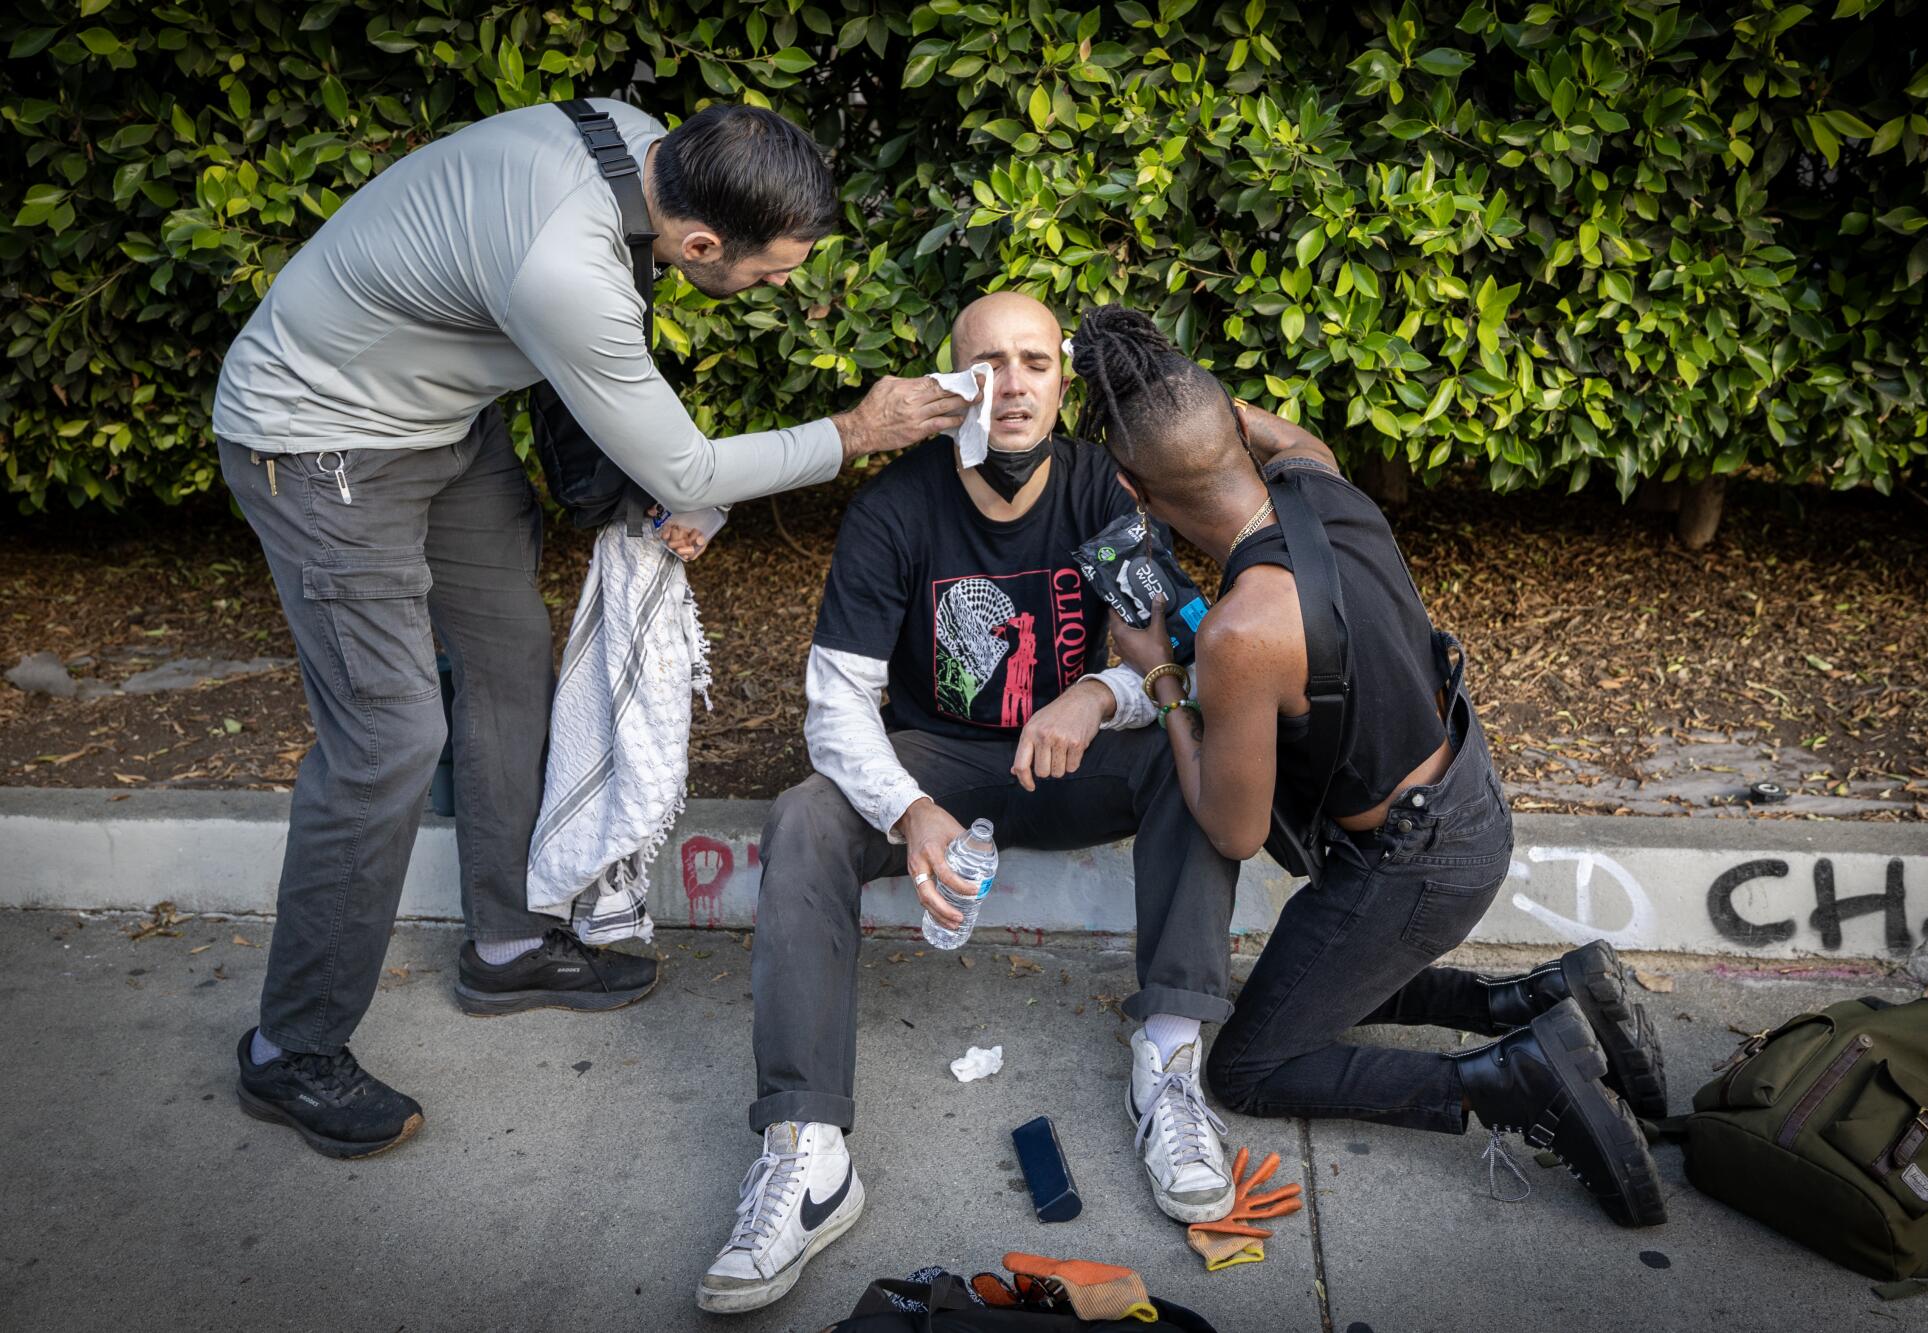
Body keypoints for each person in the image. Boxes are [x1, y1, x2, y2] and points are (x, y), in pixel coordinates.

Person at [215, 97, 969, 1160]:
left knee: (510, 661)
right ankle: (287, 1049)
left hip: (440, 416)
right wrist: (855, 431)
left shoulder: (635, 137)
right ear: (701, 242)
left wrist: (629, 486)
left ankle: (508, 943)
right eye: (768, 271)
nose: (782, 285)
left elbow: (599, 381)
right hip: (321, 439)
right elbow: (688, 464)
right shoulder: (559, 263)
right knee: (387, 740)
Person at [695, 293, 1242, 1314]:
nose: (1014, 381)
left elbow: (1179, 664)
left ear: (1062, 383)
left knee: (1189, 752)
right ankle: (806, 1153)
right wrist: (909, 811)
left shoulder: (1094, 491)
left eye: (1035, 360)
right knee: (808, 814)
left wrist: (1093, 691)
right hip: (935, 758)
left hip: (1068, 758)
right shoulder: (896, 507)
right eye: (988, 362)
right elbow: (835, 703)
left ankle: (1168, 1062)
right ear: (954, 382)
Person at [1067, 305, 1671, 1228]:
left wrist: (1154, 664)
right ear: (1240, 423)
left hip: (1410, 869)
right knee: (1304, 987)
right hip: (1466, 799)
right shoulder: (1323, 482)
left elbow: (1230, 826)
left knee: (1250, 1064)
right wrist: (1185, 393)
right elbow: (1261, 431)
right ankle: (1549, 994)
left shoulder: (1241, 633)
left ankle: (1514, 1078)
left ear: (1132, 494)